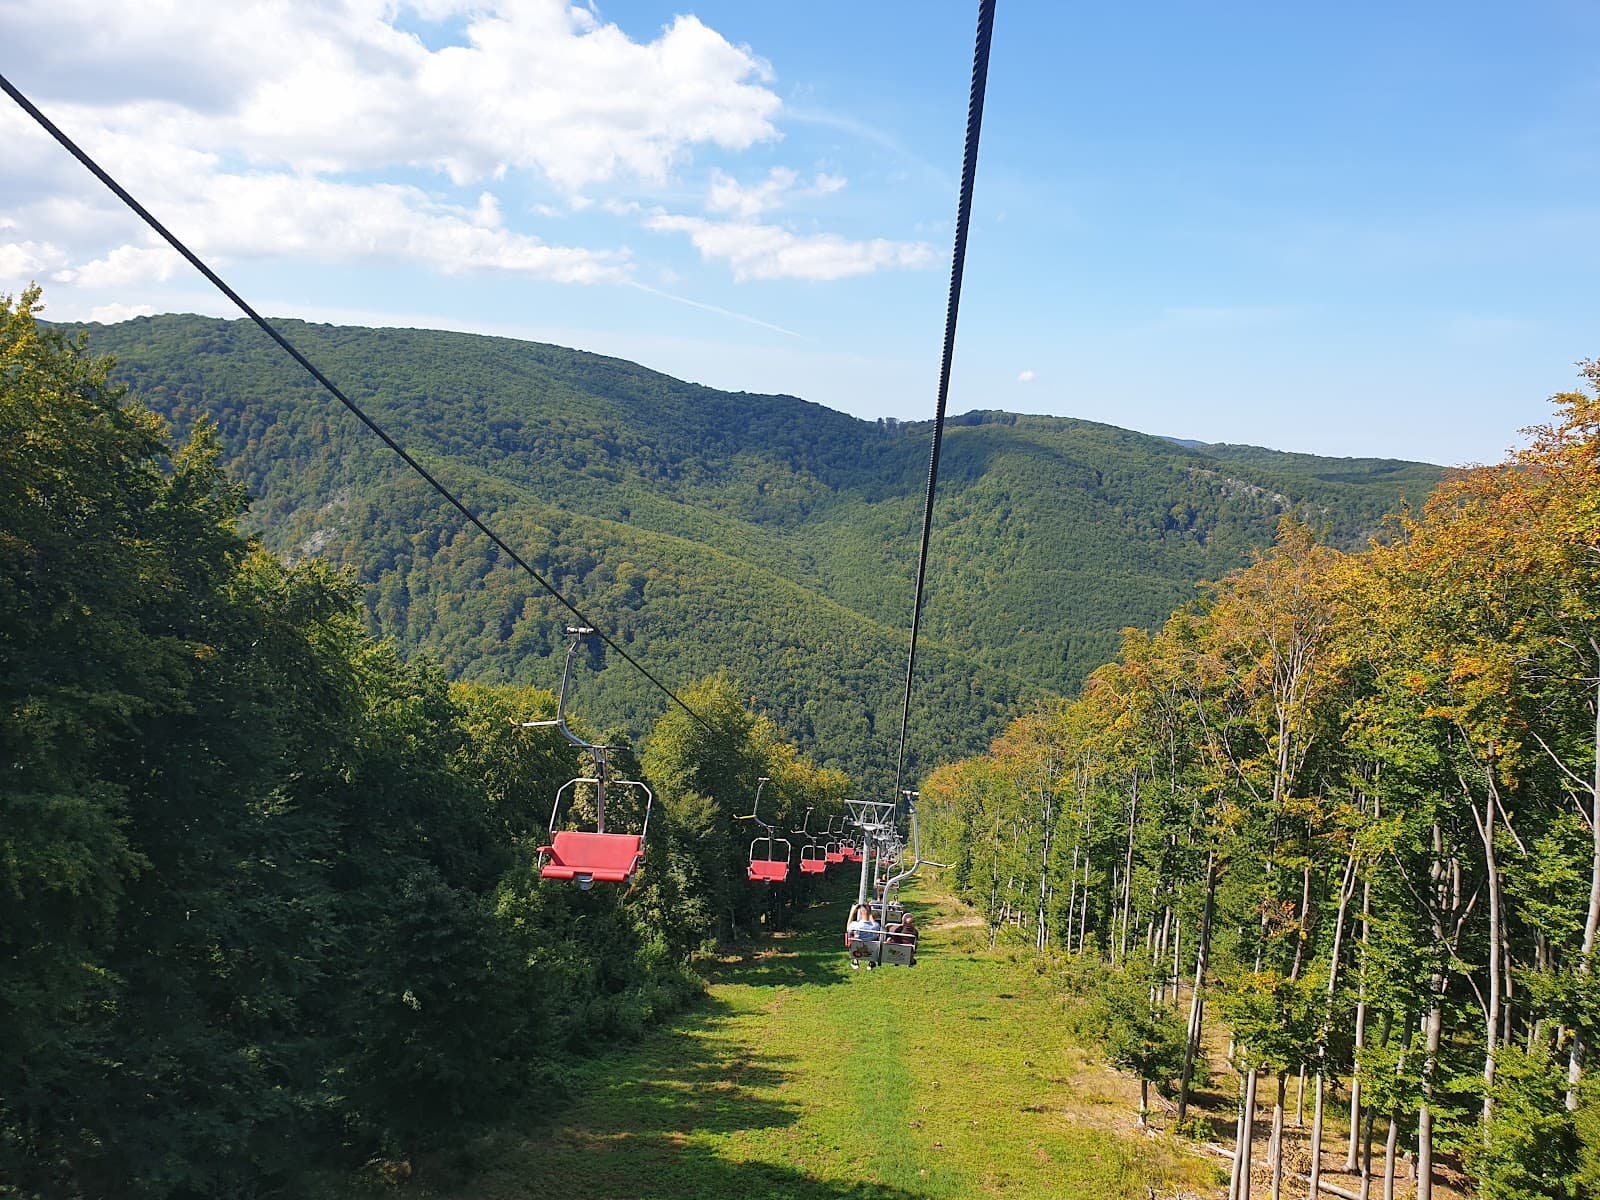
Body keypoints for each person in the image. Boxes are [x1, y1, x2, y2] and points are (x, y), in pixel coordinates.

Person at [846, 903, 881, 969]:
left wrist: (852, 912)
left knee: (853, 937)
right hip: (871, 948)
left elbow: (848, 928)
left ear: (861, 913)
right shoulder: (876, 925)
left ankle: (856, 960)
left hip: (858, 948)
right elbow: (873, 922)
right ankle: (871, 960)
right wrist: (869, 912)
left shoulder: (856, 925)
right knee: (875, 938)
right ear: (870, 913)